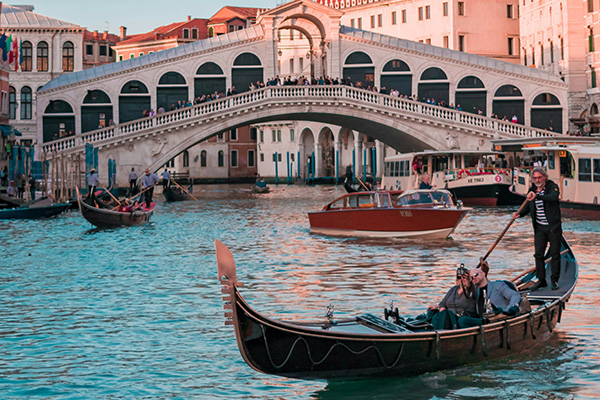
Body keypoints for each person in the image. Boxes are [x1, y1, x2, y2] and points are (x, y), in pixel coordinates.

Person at [512, 167, 562, 291]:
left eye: (540, 177)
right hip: (539, 228)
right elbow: (529, 206)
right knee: (538, 254)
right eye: (535, 178)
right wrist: (519, 214)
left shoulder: (552, 187)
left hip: (553, 228)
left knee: (555, 254)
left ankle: (554, 280)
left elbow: (553, 198)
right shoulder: (532, 190)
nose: (537, 180)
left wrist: (537, 197)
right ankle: (541, 280)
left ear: (544, 177)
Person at [427, 265, 479, 329]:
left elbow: (472, 295)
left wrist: (468, 284)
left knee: (449, 315)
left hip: (461, 317)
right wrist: (441, 309)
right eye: (459, 278)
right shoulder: (454, 289)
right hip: (448, 317)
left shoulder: (473, 289)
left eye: (464, 277)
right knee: (434, 314)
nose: (461, 280)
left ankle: (441, 331)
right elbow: (442, 303)